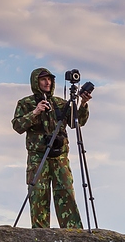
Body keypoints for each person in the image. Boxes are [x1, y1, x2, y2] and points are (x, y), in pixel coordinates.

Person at [11, 68, 91, 229]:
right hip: (37, 156)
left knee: (65, 191)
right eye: (43, 80)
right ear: (36, 82)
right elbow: (17, 126)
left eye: (49, 79)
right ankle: (40, 233)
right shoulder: (25, 103)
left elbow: (77, 123)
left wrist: (83, 104)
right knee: (38, 193)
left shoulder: (60, 103)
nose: (47, 82)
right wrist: (35, 112)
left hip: (59, 155)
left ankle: (73, 232)